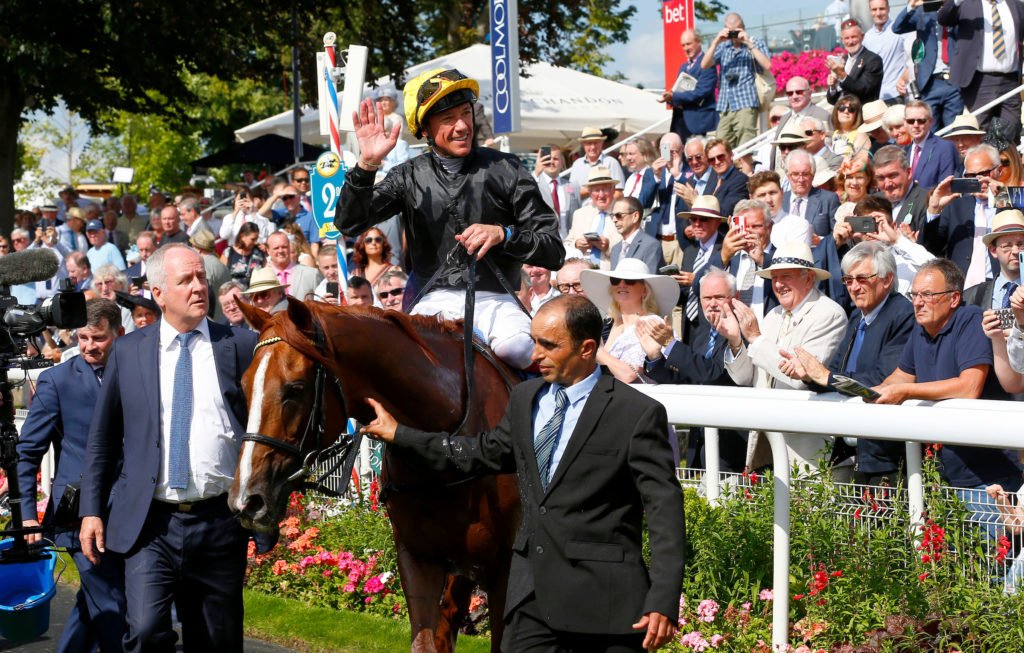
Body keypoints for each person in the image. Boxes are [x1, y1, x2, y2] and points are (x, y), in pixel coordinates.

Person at [360, 295, 684, 650]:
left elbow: (664, 512)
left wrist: (662, 600)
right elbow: (480, 454)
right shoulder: (525, 398)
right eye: (534, 342)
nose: (534, 356)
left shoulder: (637, 413)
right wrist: (400, 435)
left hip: (605, 608)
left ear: (587, 348)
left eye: (549, 345)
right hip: (531, 602)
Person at [79, 244, 263, 653]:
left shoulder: (240, 345)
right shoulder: (128, 352)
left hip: (218, 522)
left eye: (202, 278)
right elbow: (103, 437)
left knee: (217, 642)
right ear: (158, 293)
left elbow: (263, 428)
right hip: (150, 523)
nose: (200, 287)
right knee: (144, 632)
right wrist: (91, 509)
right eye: (186, 280)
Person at [339, 68, 564, 369]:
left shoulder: (507, 168)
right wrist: (366, 166)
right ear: (425, 130)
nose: (461, 126)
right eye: (447, 119)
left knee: (518, 349)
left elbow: (553, 250)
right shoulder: (406, 176)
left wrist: (504, 235)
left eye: (465, 113)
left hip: (497, 298)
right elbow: (349, 223)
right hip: (433, 300)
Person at [872, 259, 1021, 527]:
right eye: (915, 294)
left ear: (954, 298)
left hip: (988, 480)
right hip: (942, 478)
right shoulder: (921, 328)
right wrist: (863, 392)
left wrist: (905, 391)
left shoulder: (971, 319)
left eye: (927, 295)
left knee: (992, 566)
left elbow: (968, 387)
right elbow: (900, 377)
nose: (918, 302)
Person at [17, 299, 127, 653]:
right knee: (112, 608)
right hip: (77, 512)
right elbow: (28, 453)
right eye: (82, 338)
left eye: (98, 338)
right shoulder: (56, 381)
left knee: (94, 602)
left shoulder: (139, 374)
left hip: (129, 509)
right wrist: (27, 515)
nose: (88, 346)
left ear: (119, 335)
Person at [779, 242, 916, 484]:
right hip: (853, 449)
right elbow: (836, 373)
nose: (854, 287)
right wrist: (808, 375)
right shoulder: (857, 316)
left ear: (887, 279)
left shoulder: (903, 314)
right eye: (848, 280)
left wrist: (826, 376)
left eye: (862, 279)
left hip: (886, 455)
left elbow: (881, 380)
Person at [721, 241, 849, 473]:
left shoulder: (829, 314)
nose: (778, 284)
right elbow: (744, 378)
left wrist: (756, 339)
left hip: (806, 449)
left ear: (809, 278)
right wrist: (736, 341)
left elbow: (801, 376)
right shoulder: (773, 315)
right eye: (775, 278)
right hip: (763, 443)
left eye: (786, 277)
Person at [639, 266, 750, 472]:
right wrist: (655, 357)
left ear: (736, 297)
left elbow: (715, 376)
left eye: (719, 297)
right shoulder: (702, 333)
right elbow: (687, 380)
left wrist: (671, 344)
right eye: (706, 298)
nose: (712, 304)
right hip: (699, 442)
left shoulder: (744, 332)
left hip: (730, 445)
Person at [938, 0, 1024, 143]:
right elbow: (944, 18)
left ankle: (1005, 162)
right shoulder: (967, 4)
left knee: (1010, 130)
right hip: (980, 81)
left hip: (1010, 80)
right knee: (980, 130)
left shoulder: (1015, 4)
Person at [921, 144, 1004, 280]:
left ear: (999, 170)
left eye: (984, 174)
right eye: (970, 175)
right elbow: (929, 249)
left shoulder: (1009, 203)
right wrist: (933, 210)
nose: (978, 180)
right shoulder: (955, 206)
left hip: (999, 283)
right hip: (962, 285)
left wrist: (1001, 197)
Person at [702, 12, 772, 148]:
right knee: (721, 146)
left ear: (743, 28)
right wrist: (716, 41)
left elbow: (768, 65)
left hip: (745, 102)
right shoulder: (723, 46)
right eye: (730, 32)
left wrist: (748, 43)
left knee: (745, 147)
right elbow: (704, 65)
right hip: (725, 105)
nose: (733, 36)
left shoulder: (754, 43)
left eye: (737, 31)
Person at [892, 0, 964, 131]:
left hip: (954, 81)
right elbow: (897, 27)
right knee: (930, 132)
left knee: (954, 131)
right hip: (930, 82)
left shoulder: (958, 9)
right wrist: (911, 6)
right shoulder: (922, 12)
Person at [712, 199, 778, 319]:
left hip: (767, 333)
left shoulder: (780, 257)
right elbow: (698, 287)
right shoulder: (729, 258)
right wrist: (723, 257)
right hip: (732, 333)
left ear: (770, 227)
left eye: (756, 226)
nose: (749, 232)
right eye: (744, 227)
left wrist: (763, 260)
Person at [676, 196, 726, 342]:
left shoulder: (725, 250)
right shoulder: (690, 251)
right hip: (688, 325)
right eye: (693, 219)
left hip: (713, 326)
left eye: (703, 219)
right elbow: (684, 294)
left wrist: (698, 281)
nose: (697, 224)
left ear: (717, 222)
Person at [962, 210, 1024, 310]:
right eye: (1007, 246)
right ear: (993, 250)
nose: (1016, 251)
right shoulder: (972, 296)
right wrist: (979, 325)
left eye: (1021, 244)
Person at [663, 29, 718, 142]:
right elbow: (677, 90)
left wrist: (674, 96)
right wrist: (669, 98)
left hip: (697, 120)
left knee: (694, 155)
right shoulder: (683, 67)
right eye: (683, 45)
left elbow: (702, 91)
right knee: (674, 152)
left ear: (699, 42)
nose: (686, 48)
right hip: (679, 120)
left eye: (688, 44)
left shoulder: (707, 63)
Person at [564, 166, 622, 270]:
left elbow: (632, 248)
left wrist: (608, 247)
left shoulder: (623, 213)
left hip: (611, 275)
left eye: (605, 189)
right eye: (596, 190)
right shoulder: (580, 214)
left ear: (613, 190)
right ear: (590, 193)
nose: (601, 195)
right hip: (582, 274)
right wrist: (576, 244)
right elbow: (567, 243)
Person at [873, 145, 931, 235]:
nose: (887, 184)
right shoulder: (873, 202)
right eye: (881, 178)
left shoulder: (927, 201)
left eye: (892, 175)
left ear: (908, 173)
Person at [746, 171, 813, 248]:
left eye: (772, 193)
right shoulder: (746, 228)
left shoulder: (798, 225)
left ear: (782, 193)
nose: (768, 200)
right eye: (762, 195)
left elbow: (794, 259)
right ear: (751, 199)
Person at [784, 149, 842, 238]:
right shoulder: (779, 200)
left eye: (805, 174)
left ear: (813, 175)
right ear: (788, 175)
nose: (801, 179)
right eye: (795, 174)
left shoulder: (828, 199)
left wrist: (821, 242)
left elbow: (838, 236)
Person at [826, 19, 884, 105]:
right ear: (842, 40)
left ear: (862, 36)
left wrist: (842, 75)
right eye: (847, 38)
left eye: (854, 37)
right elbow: (832, 100)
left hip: (863, 114)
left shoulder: (873, 60)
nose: (850, 42)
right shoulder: (842, 60)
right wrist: (833, 87)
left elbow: (864, 89)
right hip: (842, 112)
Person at [863, 0, 909, 104]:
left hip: (896, 96)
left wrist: (903, 79)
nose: (878, 13)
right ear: (870, 11)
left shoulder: (900, 31)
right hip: (875, 100)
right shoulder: (867, 37)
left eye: (882, 9)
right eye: (874, 9)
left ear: (888, 9)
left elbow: (913, 60)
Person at [904, 101, 958, 189]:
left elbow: (945, 186)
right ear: (905, 123)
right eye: (911, 121)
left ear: (930, 122)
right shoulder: (903, 150)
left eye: (921, 121)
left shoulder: (944, 147)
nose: (916, 125)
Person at [533, 146, 581, 239]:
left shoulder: (573, 186)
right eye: (548, 159)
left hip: (568, 242)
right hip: (545, 242)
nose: (551, 162)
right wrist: (536, 173)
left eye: (555, 159)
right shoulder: (535, 185)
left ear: (562, 163)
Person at [568, 127, 627, 201]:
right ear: (583, 144)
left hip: (605, 211)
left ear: (602, 143)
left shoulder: (611, 162)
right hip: (581, 211)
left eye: (596, 143)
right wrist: (593, 188)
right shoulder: (577, 164)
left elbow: (619, 193)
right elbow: (570, 192)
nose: (593, 147)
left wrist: (604, 205)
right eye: (589, 143)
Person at [259, 184, 320, 255]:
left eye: (291, 197)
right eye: (284, 198)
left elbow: (314, 244)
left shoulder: (310, 217)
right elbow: (262, 212)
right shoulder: (282, 213)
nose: (288, 200)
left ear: (299, 197)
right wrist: (277, 195)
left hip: (303, 256)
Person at [609, 196, 663, 274]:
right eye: (612, 216)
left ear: (635, 216)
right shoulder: (615, 249)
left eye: (619, 215)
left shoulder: (651, 246)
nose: (614, 220)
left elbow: (651, 283)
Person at [264, 231, 321, 301]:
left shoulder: (311, 274)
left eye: (284, 247)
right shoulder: (260, 278)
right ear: (268, 251)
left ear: (289, 247)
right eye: (276, 248)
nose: (281, 251)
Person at [702, 138, 749, 216]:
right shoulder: (713, 180)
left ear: (731, 155)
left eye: (720, 157)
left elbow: (726, 213)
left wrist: (695, 201)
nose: (717, 162)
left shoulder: (740, 180)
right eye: (712, 160)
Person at [221, 222, 266, 288]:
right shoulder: (228, 253)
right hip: (233, 293)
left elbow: (266, 272)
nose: (255, 242)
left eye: (256, 239)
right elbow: (220, 274)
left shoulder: (259, 253)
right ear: (242, 236)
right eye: (253, 239)